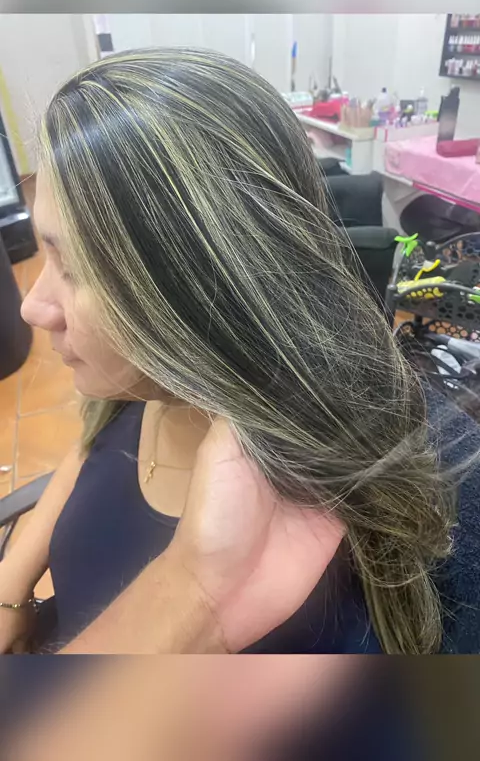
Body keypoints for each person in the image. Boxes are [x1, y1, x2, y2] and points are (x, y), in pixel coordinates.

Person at [0, 47, 476, 657]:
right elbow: (89, 448)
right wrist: (13, 580)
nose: (33, 307)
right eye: (45, 253)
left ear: (208, 288)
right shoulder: (137, 383)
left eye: (72, 267)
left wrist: (193, 599)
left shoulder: (422, 493)